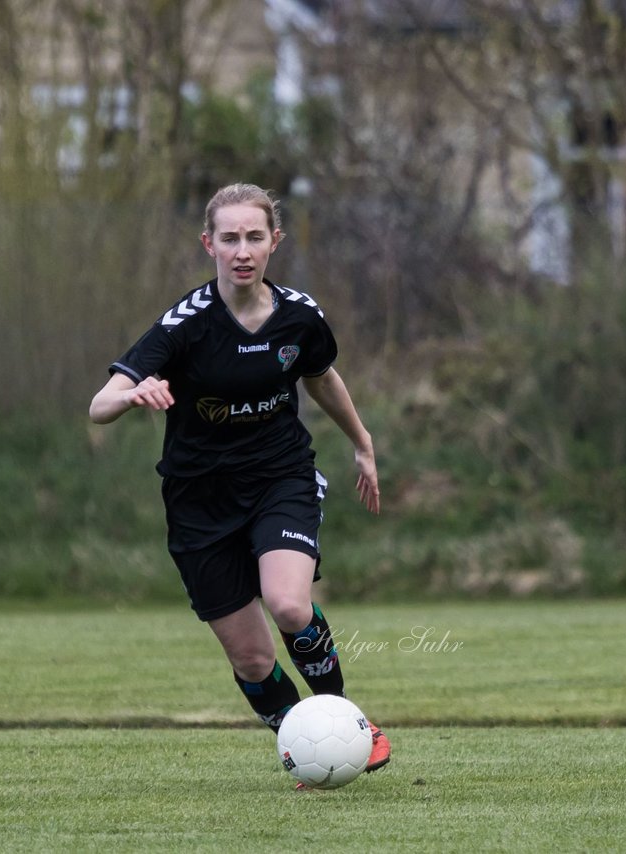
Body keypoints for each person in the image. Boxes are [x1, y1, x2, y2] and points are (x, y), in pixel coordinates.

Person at [88, 182, 390, 788]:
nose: (242, 250)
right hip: (198, 501)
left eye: (255, 236)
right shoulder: (186, 326)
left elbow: (322, 378)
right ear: (210, 244)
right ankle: (299, 744)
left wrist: (362, 443)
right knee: (252, 659)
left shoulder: (302, 316)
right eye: (230, 238)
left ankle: (349, 723)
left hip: (281, 478)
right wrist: (133, 393)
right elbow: (99, 405)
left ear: (274, 242)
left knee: (287, 603)